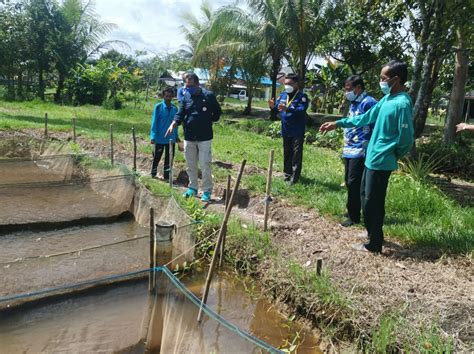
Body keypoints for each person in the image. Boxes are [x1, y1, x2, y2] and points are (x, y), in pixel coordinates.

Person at [320, 60, 414, 253]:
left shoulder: (402, 103)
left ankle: (374, 244)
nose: (381, 82)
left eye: (383, 78)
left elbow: (406, 138)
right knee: (365, 199)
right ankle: (372, 232)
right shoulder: (385, 101)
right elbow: (364, 118)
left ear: (396, 79)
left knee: (373, 202)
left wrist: (393, 154)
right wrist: (337, 124)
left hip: (382, 161)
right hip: (370, 158)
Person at [165, 73, 221, 202]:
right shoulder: (186, 96)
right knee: (190, 165)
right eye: (186, 85)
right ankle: (193, 188)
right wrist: (174, 123)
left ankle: (207, 191)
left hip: (204, 137)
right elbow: (181, 113)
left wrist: (206, 120)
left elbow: (217, 113)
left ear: (197, 83)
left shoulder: (208, 96)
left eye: (190, 85)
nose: (188, 88)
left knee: (205, 164)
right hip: (189, 136)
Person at [340, 75, 377, 227]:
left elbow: (374, 124)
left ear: (358, 88)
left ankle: (354, 216)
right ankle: (352, 209)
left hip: (361, 149)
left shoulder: (368, 102)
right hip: (349, 148)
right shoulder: (354, 102)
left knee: (354, 182)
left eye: (349, 89)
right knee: (349, 181)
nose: (346, 92)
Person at [268, 73, 309, 184]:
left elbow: (301, 110)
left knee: (296, 155)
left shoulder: (302, 97)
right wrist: (272, 107)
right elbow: (278, 109)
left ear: (296, 84)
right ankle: (287, 174)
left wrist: (288, 109)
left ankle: (294, 178)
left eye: (289, 84)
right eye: (285, 84)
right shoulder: (282, 95)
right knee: (287, 153)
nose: (287, 86)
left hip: (297, 131)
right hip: (286, 129)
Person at [150, 87, 178, 180]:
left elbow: (176, 124)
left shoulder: (175, 108)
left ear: (173, 97)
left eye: (170, 96)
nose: (168, 98)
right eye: (166, 96)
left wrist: (176, 136)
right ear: (163, 96)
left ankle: (166, 176)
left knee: (169, 158)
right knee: (157, 156)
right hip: (160, 137)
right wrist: (153, 136)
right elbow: (154, 122)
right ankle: (153, 173)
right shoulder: (158, 107)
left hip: (171, 138)